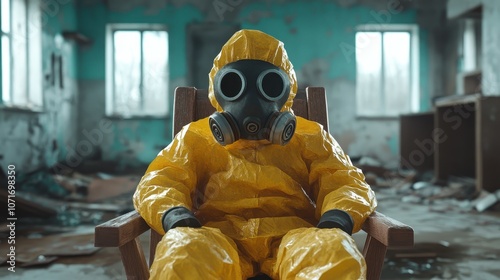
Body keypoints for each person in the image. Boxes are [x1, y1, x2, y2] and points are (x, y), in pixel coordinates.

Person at [133, 29, 377, 280]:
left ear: (287, 89)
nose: (251, 101)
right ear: (217, 91)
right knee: (183, 253)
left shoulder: (309, 136)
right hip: (219, 242)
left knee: (332, 251)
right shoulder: (196, 136)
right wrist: (175, 214)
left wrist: (337, 219)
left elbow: (343, 181)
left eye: (269, 86)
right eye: (233, 86)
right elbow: (162, 180)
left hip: (292, 243)